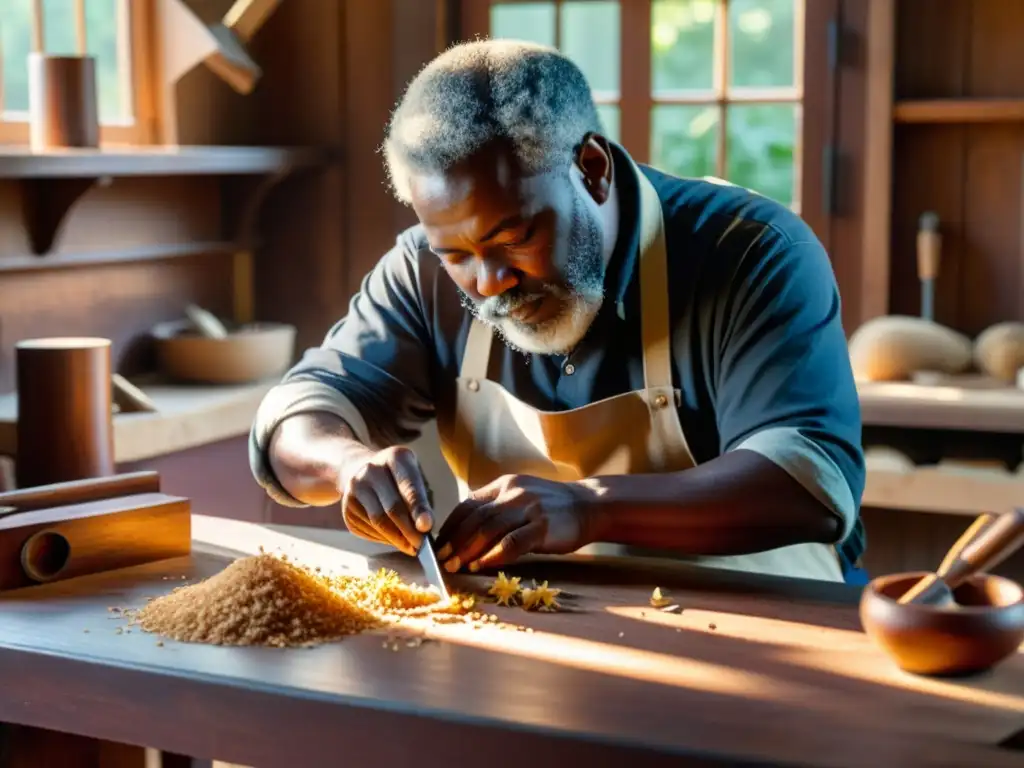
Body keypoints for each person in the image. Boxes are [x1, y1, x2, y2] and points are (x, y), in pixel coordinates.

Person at [249, 39, 866, 584]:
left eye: (514, 238)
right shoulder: (422, 271)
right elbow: (295, 416)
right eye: (456, 253)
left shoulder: (751, 252)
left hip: (763, 634)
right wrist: (347, 464)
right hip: (540, 638)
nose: (490, 283)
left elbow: (807, 482)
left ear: (591, 169)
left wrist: (589, 506)